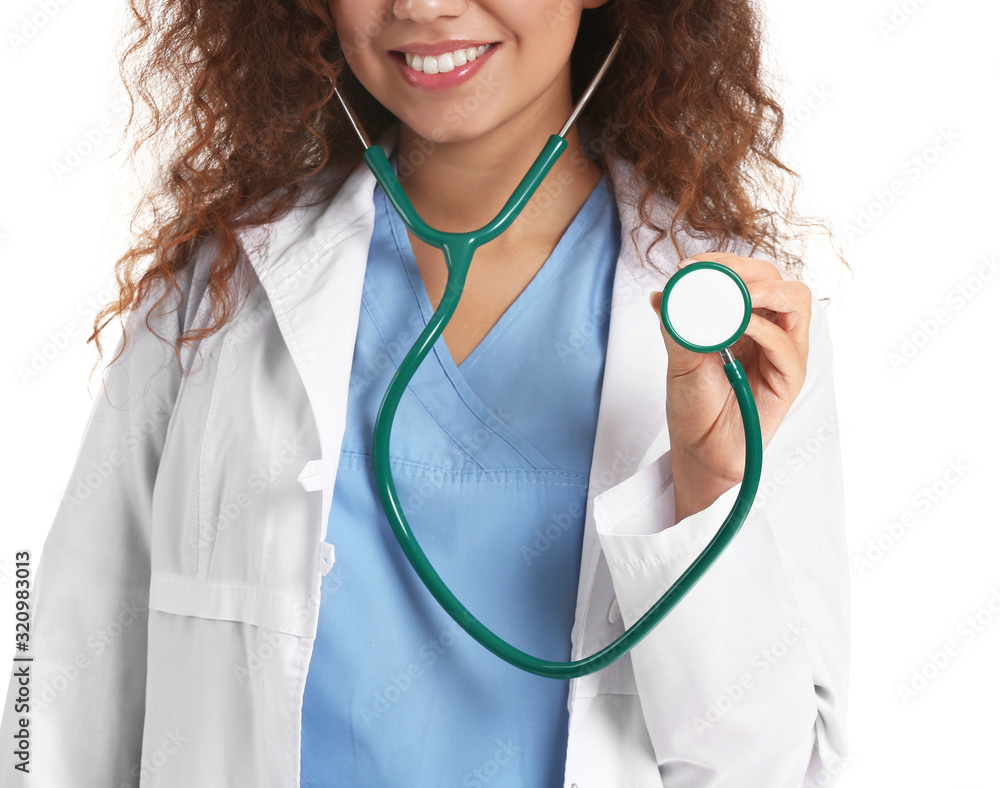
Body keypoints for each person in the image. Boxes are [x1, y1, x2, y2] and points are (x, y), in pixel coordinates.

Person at [0, 0, 850, 786]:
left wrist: (706, 488)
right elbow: (63, 677)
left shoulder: (735, 330)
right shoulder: (215, 298)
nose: (421, 5)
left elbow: (766, 766)